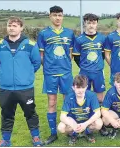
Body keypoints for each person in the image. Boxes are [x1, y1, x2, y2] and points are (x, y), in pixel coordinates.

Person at [0, 16, 42, 146]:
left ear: (21, 28)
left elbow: (36, 63)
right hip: (6, 88)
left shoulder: (31, 45)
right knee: (6, 114)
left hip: (25, 88)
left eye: (14, 25)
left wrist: (25, 75)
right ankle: (6, 140)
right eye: (9, 25)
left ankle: (36, 137)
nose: (11, 28)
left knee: (30, 113)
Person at [37, 6, 75, 145]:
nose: (57, 18)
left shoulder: (69, 33)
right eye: (54, 15)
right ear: (50, 16)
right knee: (52, 102)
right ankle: (53, 133)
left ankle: (71, 130)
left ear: (63, 16)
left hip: (66, 73)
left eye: (59, 15)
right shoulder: (43, 34)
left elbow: (70, 54)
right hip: (50, 74)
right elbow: (41, 56)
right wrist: (49, 67)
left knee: (68, 102)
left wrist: (65, 65)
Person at [57, 75, 103, 145]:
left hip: (87, 121)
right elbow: (62, 116)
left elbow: (98, 113)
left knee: (99, 123)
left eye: (83, 87)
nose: (80, 90)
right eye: (78, 87)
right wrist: (74, 125)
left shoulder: (92, 95)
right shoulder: (69, 97)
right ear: (73, 88)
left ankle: (87, 132)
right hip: (74, 121)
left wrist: (85, 124)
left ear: (86, 87)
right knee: (61, 127)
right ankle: (74, 134)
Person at [73, 13, 106, 103]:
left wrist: (97, 65)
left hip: (98, 72)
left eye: (94, 23)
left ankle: (99, 116)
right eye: (89, 23)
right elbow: (76, 57)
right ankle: (86, 115)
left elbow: (103, 54)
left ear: (97, 24)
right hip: (84, 72)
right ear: (85, 23)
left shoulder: (102, 38)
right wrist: (85, 66)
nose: (91, 25)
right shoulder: (79, 39)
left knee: (100, 98)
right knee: (84, 96)